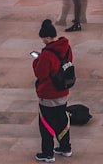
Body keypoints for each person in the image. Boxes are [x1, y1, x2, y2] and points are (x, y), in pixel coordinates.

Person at [33, 19, 74, 161]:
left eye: (43, 38)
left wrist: (36, 61)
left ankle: (48, 153)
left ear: (47, 37)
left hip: (49, 94)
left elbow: (41, 74)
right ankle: (65, 147)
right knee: (62, 120)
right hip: (63, 91)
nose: (42, 40)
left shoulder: (46, 55)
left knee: (46, 124)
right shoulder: (66, 46)